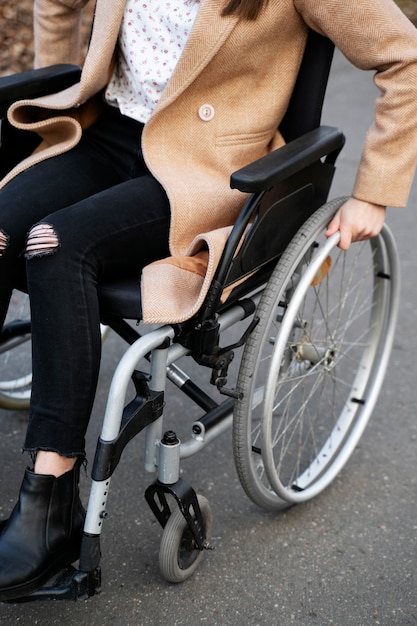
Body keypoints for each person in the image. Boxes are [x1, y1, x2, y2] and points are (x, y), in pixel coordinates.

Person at [0, 0, 416, 601]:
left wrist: (374, 191)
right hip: (113, 132)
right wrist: (71, 83)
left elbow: (402, 56)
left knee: (56, 246)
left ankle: (50, 511)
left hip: (206, 166)